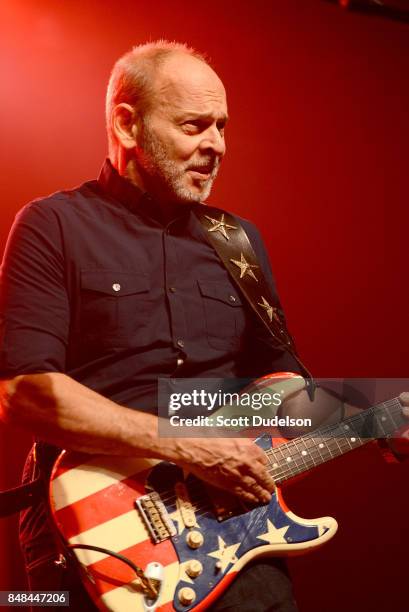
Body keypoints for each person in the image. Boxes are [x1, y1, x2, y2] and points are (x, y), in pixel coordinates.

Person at [0, 41, 407, 612]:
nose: (217, 145)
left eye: (222, 126)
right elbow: (27, 394)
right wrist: (189, 445)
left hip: (238, 533)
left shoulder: (237, 241)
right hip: (88, 534)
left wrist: (382, 413)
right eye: (195, 126)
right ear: (127, 124)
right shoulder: (52, 225)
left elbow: (275, 390)